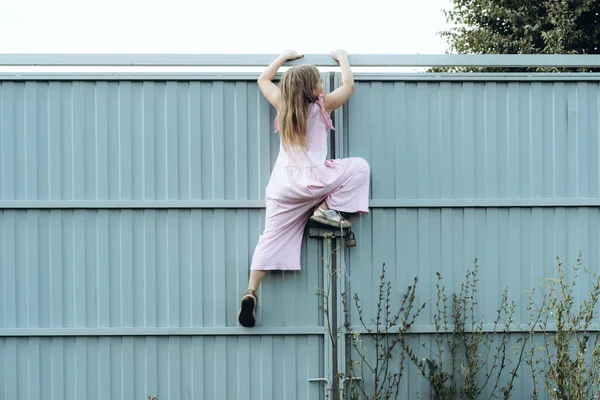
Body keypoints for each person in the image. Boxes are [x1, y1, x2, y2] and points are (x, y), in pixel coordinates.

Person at [238, 49, 370, 328]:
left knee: (270, 236)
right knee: (359, 167)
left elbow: (263, 80)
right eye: (319, 82)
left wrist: (282, 58)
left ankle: (251, 291)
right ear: (312, 89)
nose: (323, 86)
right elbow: (349, 86)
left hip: (282, 185)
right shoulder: (322, 106)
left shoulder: (283, 105)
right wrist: (343, 58)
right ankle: (323, 210)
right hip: (314, 181)